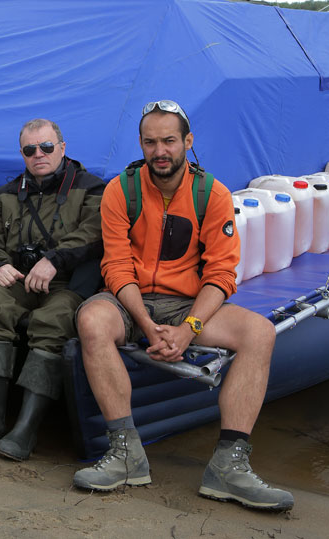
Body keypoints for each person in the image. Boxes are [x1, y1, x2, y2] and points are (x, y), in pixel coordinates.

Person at [71, 100, 293, 510]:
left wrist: (188, 327)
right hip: (132, 302)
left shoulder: (213, 194)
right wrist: (144, 322)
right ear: (140, 143)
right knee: (92, 318)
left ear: (188, 142)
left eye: (169, 141)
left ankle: (229, 466)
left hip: (186, 303)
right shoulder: (121, 190)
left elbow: (221, 275)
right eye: (151, 142)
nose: (160, 151)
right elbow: (117, 267)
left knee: (259, 332)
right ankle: (126, 454)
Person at [0, 119, 104, 461]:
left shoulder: (93, 190)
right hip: (21, 279)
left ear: (63, 148)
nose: (38, 155)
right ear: (22, 154)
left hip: (67, 283)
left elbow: (95, 233)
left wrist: (56, 259)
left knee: (54, 321)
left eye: (46, 147)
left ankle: (27, 427)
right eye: (30, 150)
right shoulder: (7, 195)